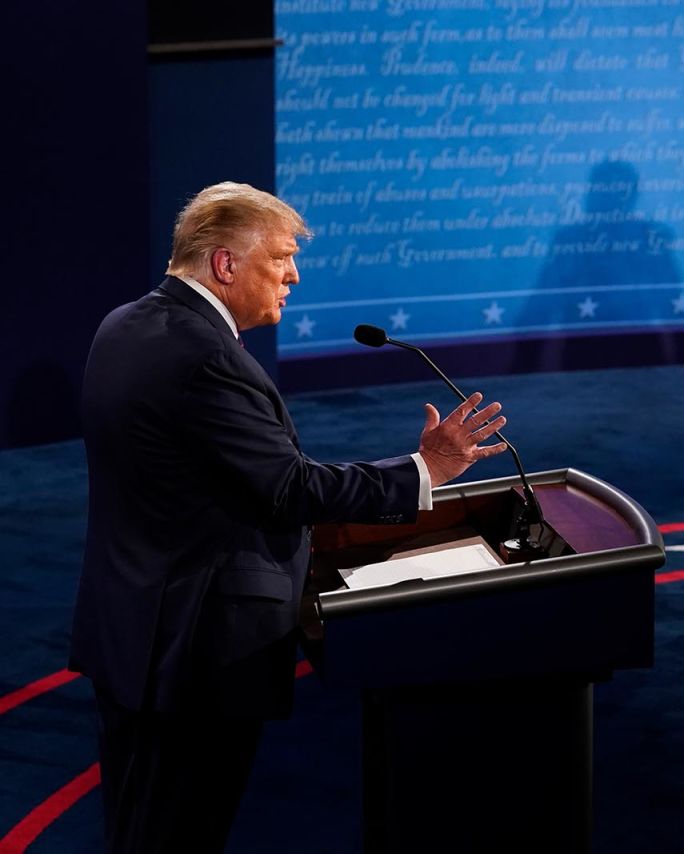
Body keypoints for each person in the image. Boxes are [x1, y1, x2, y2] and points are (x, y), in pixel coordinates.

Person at [69, 182, 509, 853]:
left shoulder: (123, 325)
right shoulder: (205, 356)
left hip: (130, 630)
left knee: (140, 827)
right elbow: (288, 488)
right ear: (225, 265)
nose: (294, 274)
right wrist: (426, 471)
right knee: (177, 833)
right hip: (194, 653)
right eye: (279, 259)